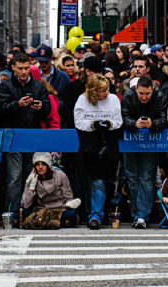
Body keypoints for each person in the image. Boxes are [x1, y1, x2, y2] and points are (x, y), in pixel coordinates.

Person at [0, 53, 51, 219]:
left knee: (30, 176)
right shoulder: (5, 86)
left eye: (26, 68)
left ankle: (26, 210)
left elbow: (47, 110)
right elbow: (1, 110)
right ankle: (12, 212)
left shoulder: (38, 86)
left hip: (32, 135)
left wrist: (41, 107)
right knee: (14, 176)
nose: (23, 71)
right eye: (20, 68)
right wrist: (18, 104)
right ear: (13, 68)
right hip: (13, 136)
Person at [74, 74, 123, 230]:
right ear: (93, 91)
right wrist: (93, 124)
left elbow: (118, 121)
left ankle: (96, 214)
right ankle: (92, 213)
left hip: (108, 144)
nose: (107, 93)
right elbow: (79, 121)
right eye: (102, 90)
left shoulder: (113, 99)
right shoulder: (83, 100)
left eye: (107, 89)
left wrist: (108, 124)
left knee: (101, 181)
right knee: (89, 182)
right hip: (89, 144)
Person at [121, 76, 168, 229]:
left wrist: (152, 124)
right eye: (141, 93)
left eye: (147, 94)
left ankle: (142, 215)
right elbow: (122, 118)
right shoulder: (128, 96)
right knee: (132, 178)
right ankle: (136, 213)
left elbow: (164, 119)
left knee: (147, 178)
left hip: (151, 142)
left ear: (152, 90)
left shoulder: (160, 96)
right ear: (136, 89)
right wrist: (134, 123)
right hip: (131, 141)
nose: (144, 97)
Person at [20, 152, 81, 229]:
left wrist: (68, 206)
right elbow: (25, 204)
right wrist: (32, 185)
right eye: (37, 164)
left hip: (59, 210)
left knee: (72, 213)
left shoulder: (60, 175)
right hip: (41, 211)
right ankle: (54, 222)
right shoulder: (33, 177)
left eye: (43, 164)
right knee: (26, 212)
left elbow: (69, 197)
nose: (40, 167)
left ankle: (43, 222)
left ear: (48, 165)